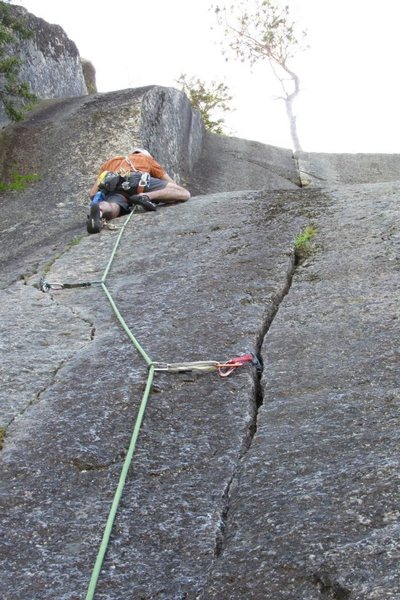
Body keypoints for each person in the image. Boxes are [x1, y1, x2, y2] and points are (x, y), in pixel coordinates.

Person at [86, 148, 191, 234]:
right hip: (137, 180)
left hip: (116, 187)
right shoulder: (146, 158)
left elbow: (92, 193)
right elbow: (171, 184)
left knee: (114, 207)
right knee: (184, 193)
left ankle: (100, 210)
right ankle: (146, 196)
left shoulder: (110, 163)